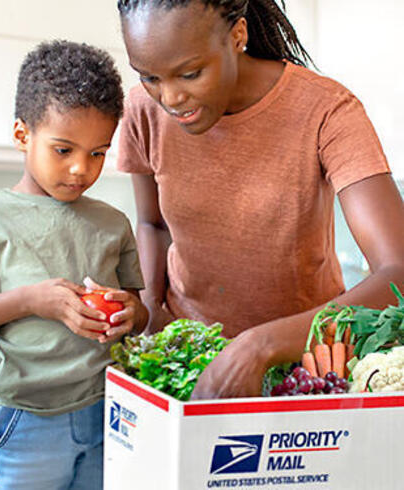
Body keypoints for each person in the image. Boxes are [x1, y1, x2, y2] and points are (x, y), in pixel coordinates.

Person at [115, 0, 404, 399]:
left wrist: (257, 347)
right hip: (188, 363)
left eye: (190, 73)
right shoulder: (142, 111)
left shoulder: (327, 110)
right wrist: (150, 311)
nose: (170, 98)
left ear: (238, 36)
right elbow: (153, 224)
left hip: (308, 367)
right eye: (149, 77)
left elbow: (398, 273)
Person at [0, 40, 148, 489]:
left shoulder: (113, 223)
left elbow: (141, 313)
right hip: (26, 417)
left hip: (106, 408)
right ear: (22, 136)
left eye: (97, 153)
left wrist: (130, 311)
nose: (80, 170)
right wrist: (32, 300)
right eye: (63, 149)